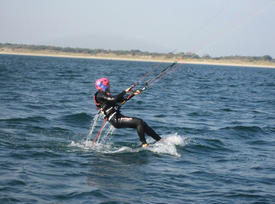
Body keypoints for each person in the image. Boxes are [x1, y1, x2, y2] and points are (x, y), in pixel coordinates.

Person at [93, 77, 161, 147]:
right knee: (139, 122)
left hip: (117, 117)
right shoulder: (100, 94)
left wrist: (133, 93)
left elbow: (121, 100)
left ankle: (159, 140)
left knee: (143, 124)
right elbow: (114, 99)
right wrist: (125, 91)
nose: (110, 85)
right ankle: (144, 144)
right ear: (104, 85)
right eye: (108, 84)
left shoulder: (103, 95)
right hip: (115, 119)